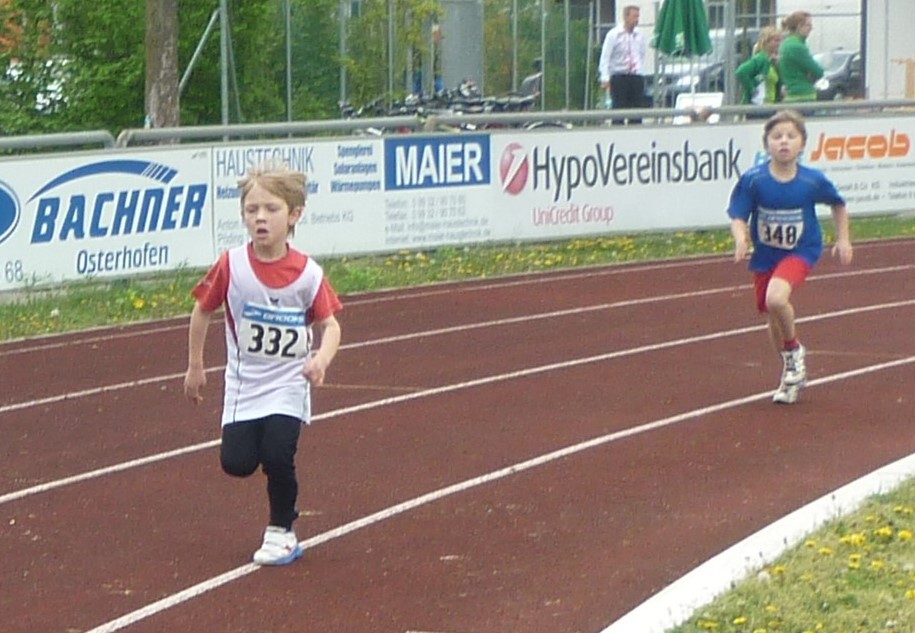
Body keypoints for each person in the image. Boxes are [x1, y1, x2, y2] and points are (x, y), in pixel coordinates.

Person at [183, 162, 342, 565]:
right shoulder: (231, 264)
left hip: (289, 383)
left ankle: (281, 529)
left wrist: (320, 359)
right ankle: (279, 519)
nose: (260, 218)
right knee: (236, 463)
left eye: (270, 209)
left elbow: (331, 325)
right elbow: (202, 311)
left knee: (277, 453)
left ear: (294, 216)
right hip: (244, 384)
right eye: (252, 209)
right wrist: (195, 365)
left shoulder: (308, 273)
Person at [727, 110, 852, 404]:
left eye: (791, 136)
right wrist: (741, 238)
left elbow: (838, 205)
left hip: (802, 250)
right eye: (777, 136)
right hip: (766, 254)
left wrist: (843, 238)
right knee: (772, 313)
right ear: (767, 144)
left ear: (802, 144)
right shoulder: (754, 180)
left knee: (776, 299)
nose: (784, 142)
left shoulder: (811, 181)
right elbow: (737, 214)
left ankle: (795, 351)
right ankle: (791, 367)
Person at [598, 5, 647, 122]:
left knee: (636, 112)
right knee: (619, 110)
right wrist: (605, 78)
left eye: (638, 16)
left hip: (635, 77)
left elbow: (641, 54)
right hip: (619, 77)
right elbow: (605, 57)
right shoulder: (613, 35)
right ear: (626, 16)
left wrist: (639, 70)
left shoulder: (639, 36)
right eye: (634, 16)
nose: (637, 19)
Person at [777, 11, 823, 103]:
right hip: (803, 96)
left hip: (791, 94)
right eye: (808, 25)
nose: (811, 28)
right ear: (799, 26)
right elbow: (818, 71)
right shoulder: (797, 46)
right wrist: (810, 76)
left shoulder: (785, 44)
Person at [735, 26, 783, 113]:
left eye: (780, 40)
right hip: (759, 106)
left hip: (770, 106)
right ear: (766, 42)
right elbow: (741, 71)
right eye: (776, 41)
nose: (779, 44)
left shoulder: (771, 60)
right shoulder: (760, 58)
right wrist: (753, 90)